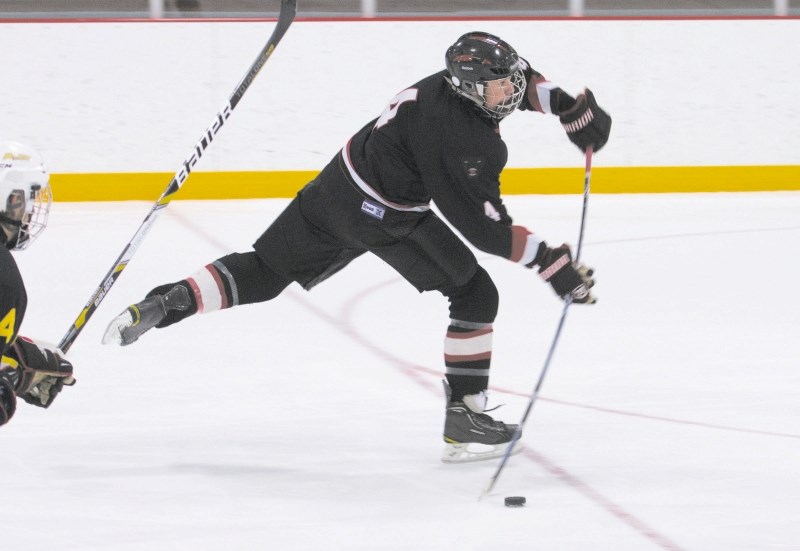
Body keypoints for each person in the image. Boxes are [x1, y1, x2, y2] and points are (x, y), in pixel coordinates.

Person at [102, 31, 611, 462]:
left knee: (263, 272)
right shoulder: (463, 140)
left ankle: (168, 302)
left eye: (511, 80)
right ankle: (465, 416)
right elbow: (484, 229)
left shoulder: (452, 90)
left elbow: (522, 78)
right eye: (500, 86)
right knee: (476, 296)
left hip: (338, 183)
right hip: (386, 214)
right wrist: (550, 263)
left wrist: (564, 105)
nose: (512, 90)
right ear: (470, 90)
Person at [0, 141, 76, 427]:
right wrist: (11, 382)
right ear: (10, 199)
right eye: (26, 199)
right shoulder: (6, 285)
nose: (30, 213)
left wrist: (18, 358)